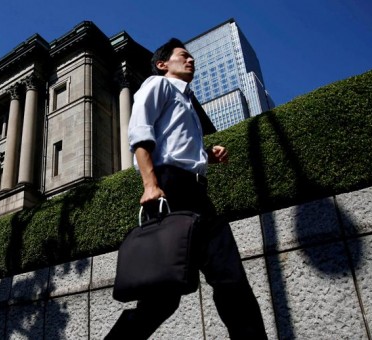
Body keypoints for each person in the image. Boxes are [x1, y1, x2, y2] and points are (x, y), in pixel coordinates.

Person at [106, 38, 267, 339]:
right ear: (163, 64)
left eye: (192, 57)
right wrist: (150, 184)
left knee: (231, 279)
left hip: (198, 194)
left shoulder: (189, 103)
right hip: (170, 189)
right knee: (161, 298)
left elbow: (178, 148)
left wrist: (208, 156)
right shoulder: (158, 86)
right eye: (184, 56)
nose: (191, 60)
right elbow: (139, 134)